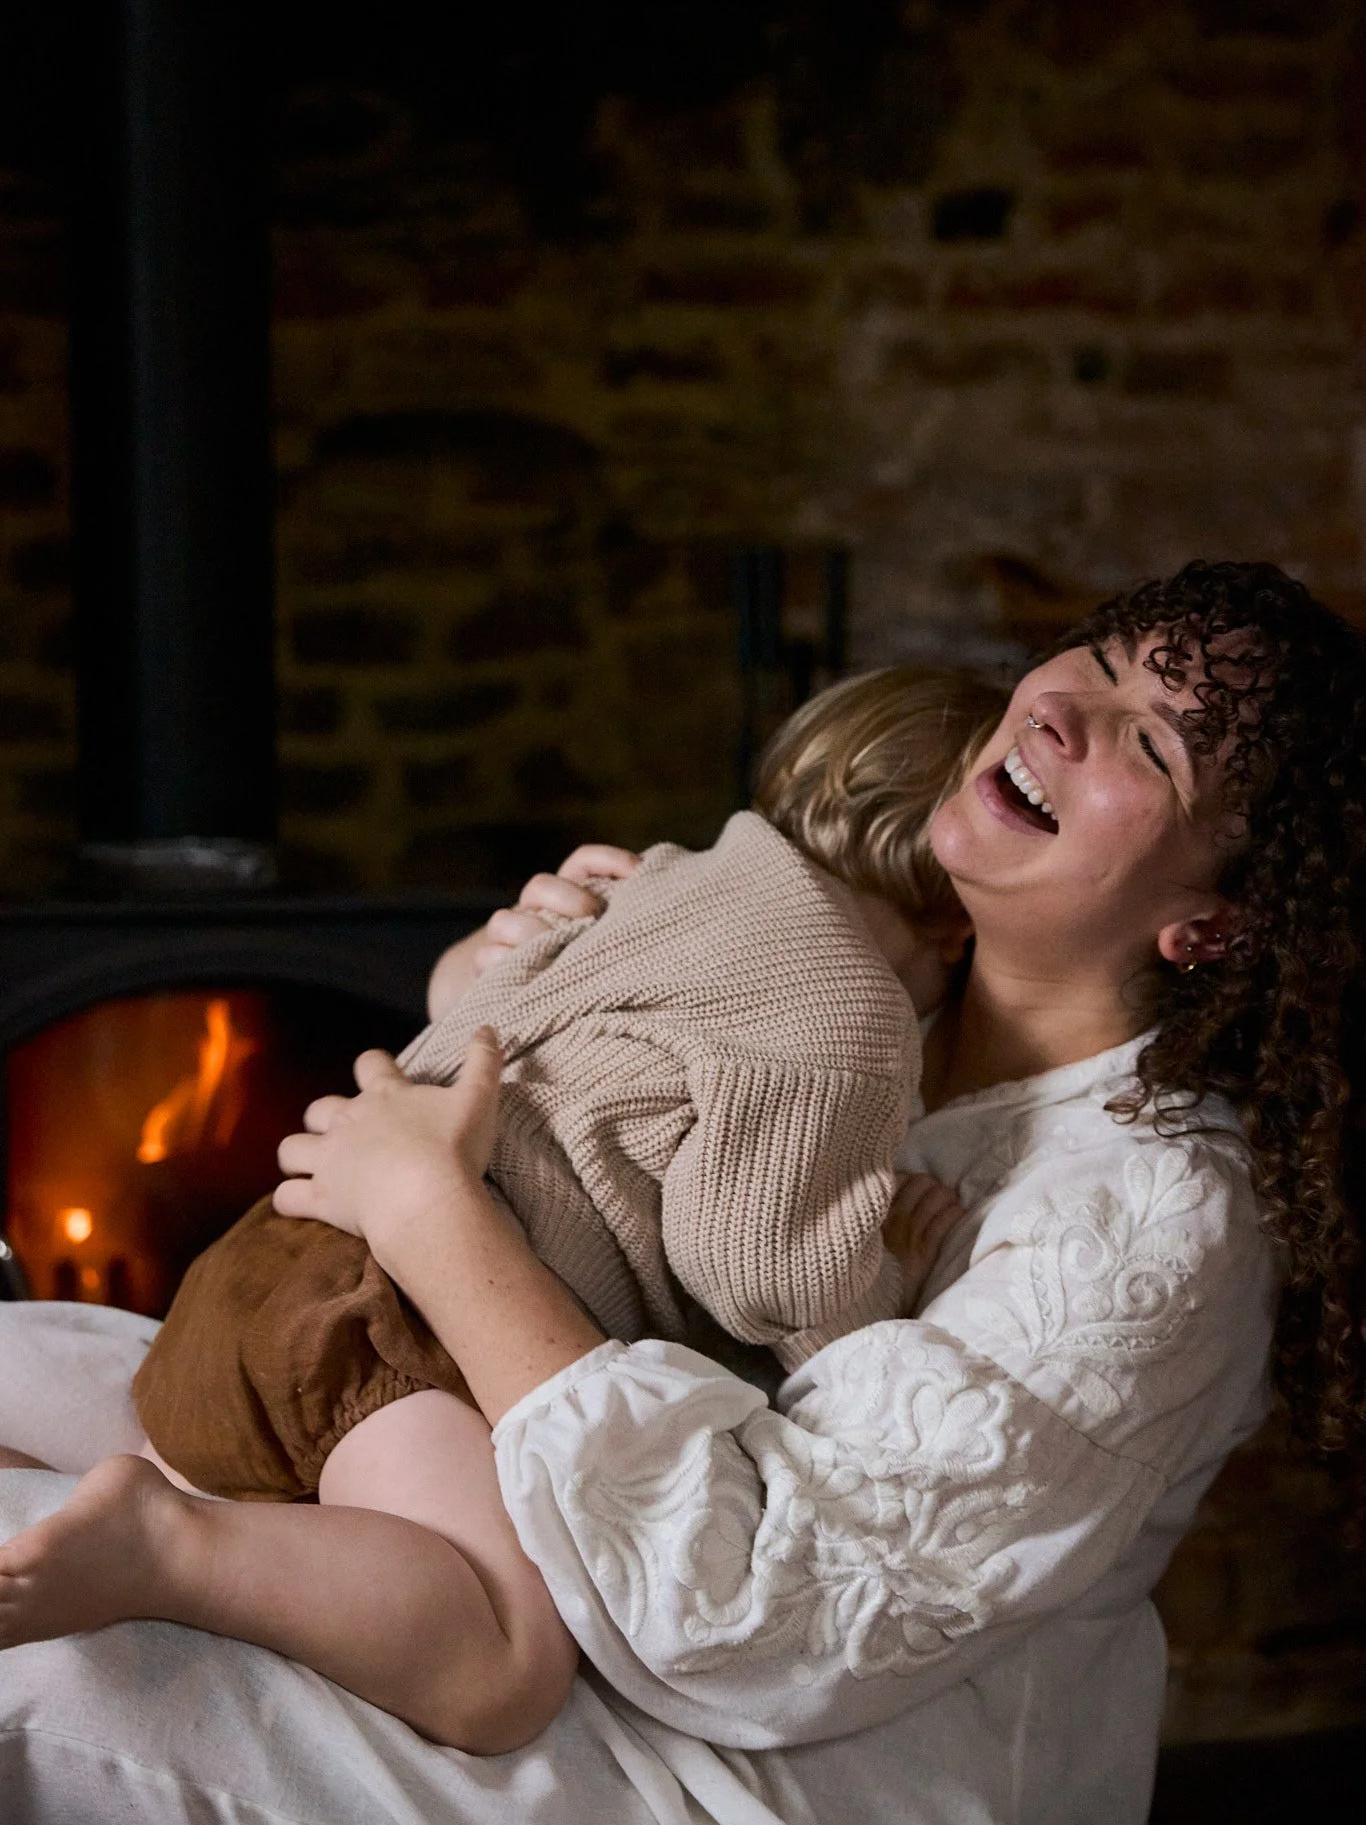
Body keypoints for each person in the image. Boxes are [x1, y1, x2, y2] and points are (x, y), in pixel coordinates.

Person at [1, 558, 1363, 1825]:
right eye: (1102, 661)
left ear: (1213, 924)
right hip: (502, 1461)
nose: (1068, 710)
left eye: (1150, 741)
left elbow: (755, 1608)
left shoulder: (1151, 1217)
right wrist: (522, 970)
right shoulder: (884, 983)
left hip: (761, 1760)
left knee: (71, 1676)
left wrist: (437, 1217)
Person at [0, 666, 1005, 1753]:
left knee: (268, 1479)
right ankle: (165, 1540)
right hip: (394, 1312)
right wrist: (887, 1274)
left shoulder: (653, 878)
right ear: (956, 930)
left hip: (266, 1253)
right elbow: (760, 1262)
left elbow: (481, 1002)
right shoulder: (847, 1007)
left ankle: (76, 1494)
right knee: (504, 1662)